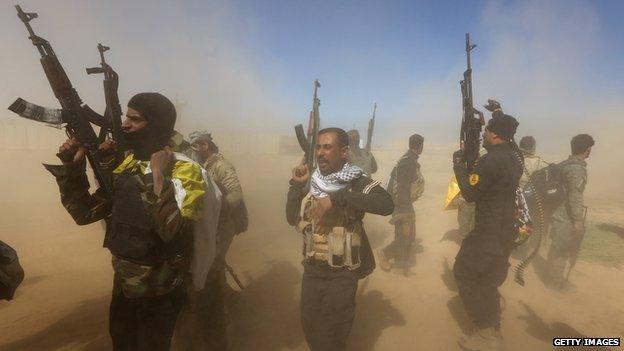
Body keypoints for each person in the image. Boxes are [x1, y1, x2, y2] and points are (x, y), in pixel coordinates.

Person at [45, 92, 214, 351]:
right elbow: (84, 214)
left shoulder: (186, 170)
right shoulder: (127, 165)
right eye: (126, 116)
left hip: (159, 294)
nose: (124, 124)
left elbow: (171, 230)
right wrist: (72, 169)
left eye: (135, 119)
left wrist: (157, 176)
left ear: (155, 125)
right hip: (124, 289)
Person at [286, 127, 393, 351]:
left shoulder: (355, 180)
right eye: (318, 147)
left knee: (333, 336)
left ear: (343, 152)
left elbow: (386, 204)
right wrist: (296, 186)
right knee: (311, 329)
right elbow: (290, 217)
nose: (321, 152)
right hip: (313, 270)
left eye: (328, 147)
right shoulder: (312, 180)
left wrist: (337, 198)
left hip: (342, 275)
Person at [452, 113, 523, 350]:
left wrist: (459, 164)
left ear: (493, 134)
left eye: (486, 130)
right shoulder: (514, 157)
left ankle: (485, 333)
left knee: (464, 273)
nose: (483, 133)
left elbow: (471, 193)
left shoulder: (491, 160)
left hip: (488, 233)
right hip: (505, 233)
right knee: (487, 281)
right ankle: (493, 328)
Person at [175, 130, 247, 350]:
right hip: (212, 226)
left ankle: (227, 311)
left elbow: (236, 195)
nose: (192, 151)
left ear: (205, 145)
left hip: (223, 226)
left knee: (211, 267)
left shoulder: (221, 166)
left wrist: (214, 208)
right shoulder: (204, 164)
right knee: (209, 267)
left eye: (195, 147)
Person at [546, 134, 594, 292]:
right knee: (562, 249)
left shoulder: (565, 164)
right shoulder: (577, 168)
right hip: (565, 215)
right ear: (587, 150)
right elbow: (575, 195)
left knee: (557, 246)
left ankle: (552, 278)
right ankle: (555, 283)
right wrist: (578, 221)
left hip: (556, 213)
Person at [377, 134, 425, 275]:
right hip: (401, 204)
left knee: (405, 235)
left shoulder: (409, 159)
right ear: (420, 146)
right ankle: (385, 253)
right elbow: (403, 187)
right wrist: (403, 211)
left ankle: (400, 266)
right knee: (406, 235)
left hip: (402, 203)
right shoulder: (408, 162)